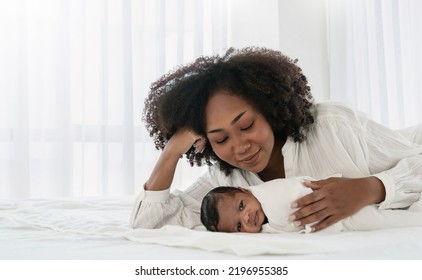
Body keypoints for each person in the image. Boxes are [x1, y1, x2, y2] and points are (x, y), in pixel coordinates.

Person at [131, 46, 422, 232]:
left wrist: (371, 188)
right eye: (220, 139)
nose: (240, 147)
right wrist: (170, 153)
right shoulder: (227, 179)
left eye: (246, 125)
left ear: (269, 108)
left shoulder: (334, 127)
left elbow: (415, 161)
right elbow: (148, 225)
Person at [200, 177, 422, 233]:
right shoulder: (263, 229)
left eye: (241, 206)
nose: (246, 217)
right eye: (239, 226)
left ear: (245, 191)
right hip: (339, 222)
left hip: (339, 207)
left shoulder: (270, 194)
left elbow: (298, 191)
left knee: (393, 221)